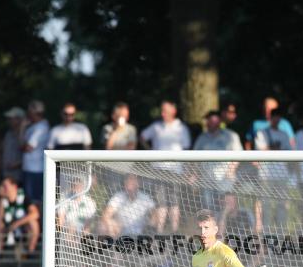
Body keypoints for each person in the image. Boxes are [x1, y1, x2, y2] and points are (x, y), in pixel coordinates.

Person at [140, 100, 191, 233]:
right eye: (162, 111)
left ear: (174, 111)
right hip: (158, 169)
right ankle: (159, 232)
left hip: (175, 170)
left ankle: (174, 232)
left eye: (166, 111)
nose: (163, 114)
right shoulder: (156, 126)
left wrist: (188, 170)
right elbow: (142, 137)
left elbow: (186, 150)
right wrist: (150, 150)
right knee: (160, 202)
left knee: (174, 202)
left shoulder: (181, 128)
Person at [192, 110, 242, 211]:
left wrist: (231, 171)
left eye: (214, 121)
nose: (212, 123)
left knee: (226, 208)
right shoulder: (202, 138)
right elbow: (194, 158)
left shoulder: (231, 136)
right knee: (208, 208)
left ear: (220, 121)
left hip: (226, 179)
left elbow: (238, 155)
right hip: (206, 179)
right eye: (210, 121)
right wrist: (194, 174)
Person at [253, 107, 294, 227]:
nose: (276, 119)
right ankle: (266, 229)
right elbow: (259, 150)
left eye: (278, 117)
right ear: (270, 118)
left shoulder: (284, 134)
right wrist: (272, 148)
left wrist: (276, 149)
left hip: (282, 174)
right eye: (274, 116)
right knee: (265, 203)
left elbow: (289, 152)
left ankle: (281, 229)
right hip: (265, 174)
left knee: (282, 203)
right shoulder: (262, 133)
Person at [97, 174, 156, 238]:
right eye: (127, 181)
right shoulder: (118, 196)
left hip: (140, 233)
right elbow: (106, 215)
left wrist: (149, 225)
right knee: (102, 225)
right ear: (124, 184)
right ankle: (109, 243)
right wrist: (111, 225)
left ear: (138, 184)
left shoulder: (145, 198)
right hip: (119, 232)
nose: (129, 186)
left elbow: (154, 213)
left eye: (133, 182)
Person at [0, 177, 41, 256]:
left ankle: (31, 252)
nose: (3, 188)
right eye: (2, 186)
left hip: (23, 227)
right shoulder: (2, 200)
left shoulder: (24, 197)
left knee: (33, 223)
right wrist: (1, 198)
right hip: (8, 228)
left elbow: (35, 214)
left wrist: (17, 223)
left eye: (5, 186)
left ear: (14, 186)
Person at [19, 100, 50, 206]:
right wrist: (22, 128)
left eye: (29, 112)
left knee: (35, 201)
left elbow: (27, 147)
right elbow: (21, 145)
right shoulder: (33, 126)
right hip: (29, 168)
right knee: (29, 199)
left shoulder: (42, 127)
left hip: (36, 170)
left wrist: (22, 128)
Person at [1, 107, 26, 183]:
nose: (8, 121)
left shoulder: (26, 134)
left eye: (11, 118)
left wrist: (16, 165)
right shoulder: (8, 133)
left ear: (19, 119)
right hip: (6, 174)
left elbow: (28, 154)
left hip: (19, 176)